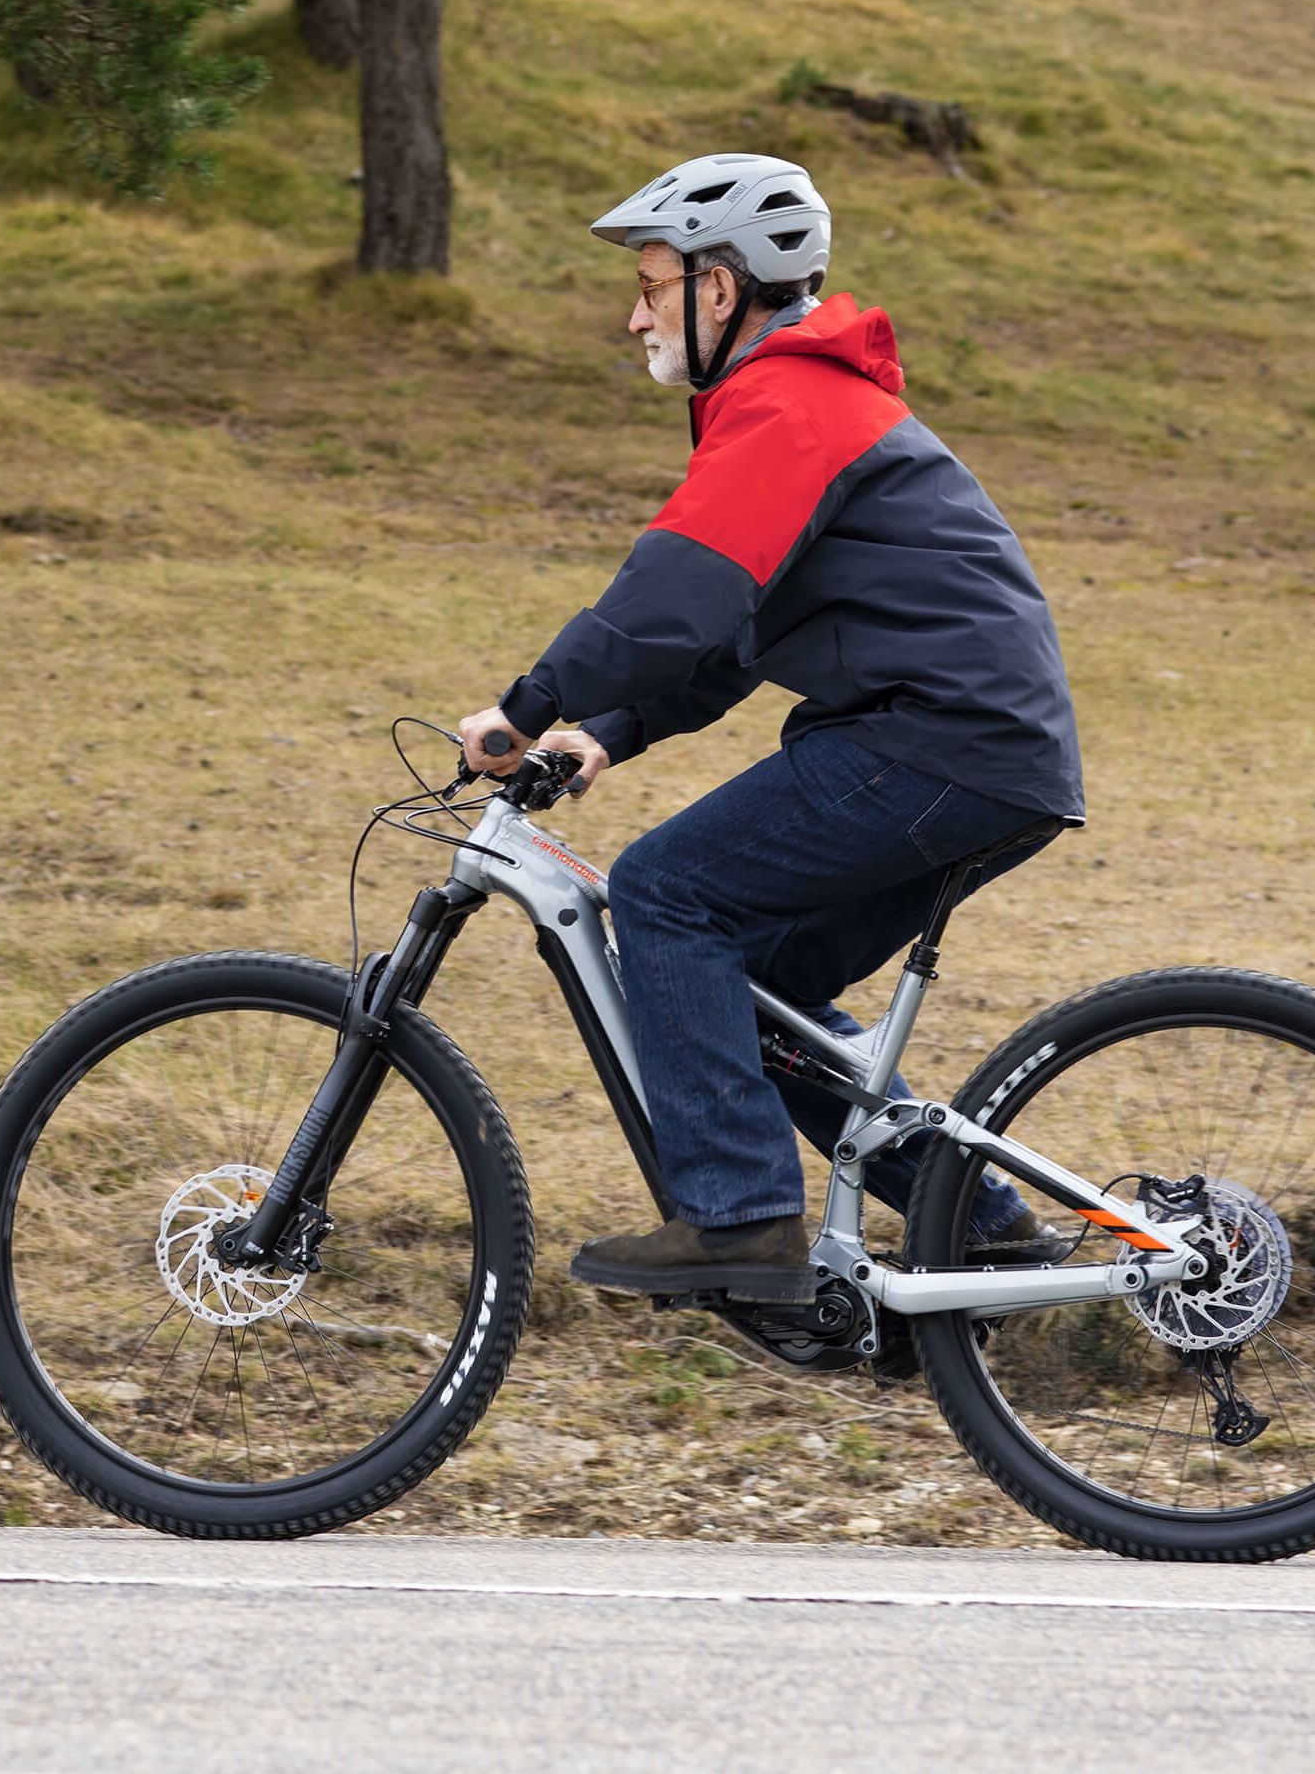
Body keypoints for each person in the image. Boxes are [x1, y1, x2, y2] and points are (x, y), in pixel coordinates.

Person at [456, 151, 1081, 1304]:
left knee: (667, 892)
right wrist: (605, 727)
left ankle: (739, 1221)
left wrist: (527, 702)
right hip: (979, 751)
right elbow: (729, 632)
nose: (633, 311)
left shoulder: (791, 400)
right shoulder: (801, 398)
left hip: (937, 741)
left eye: (653, 282)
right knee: (765, 1002)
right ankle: (983, 1230)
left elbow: (677, 593)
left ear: (722, 286)